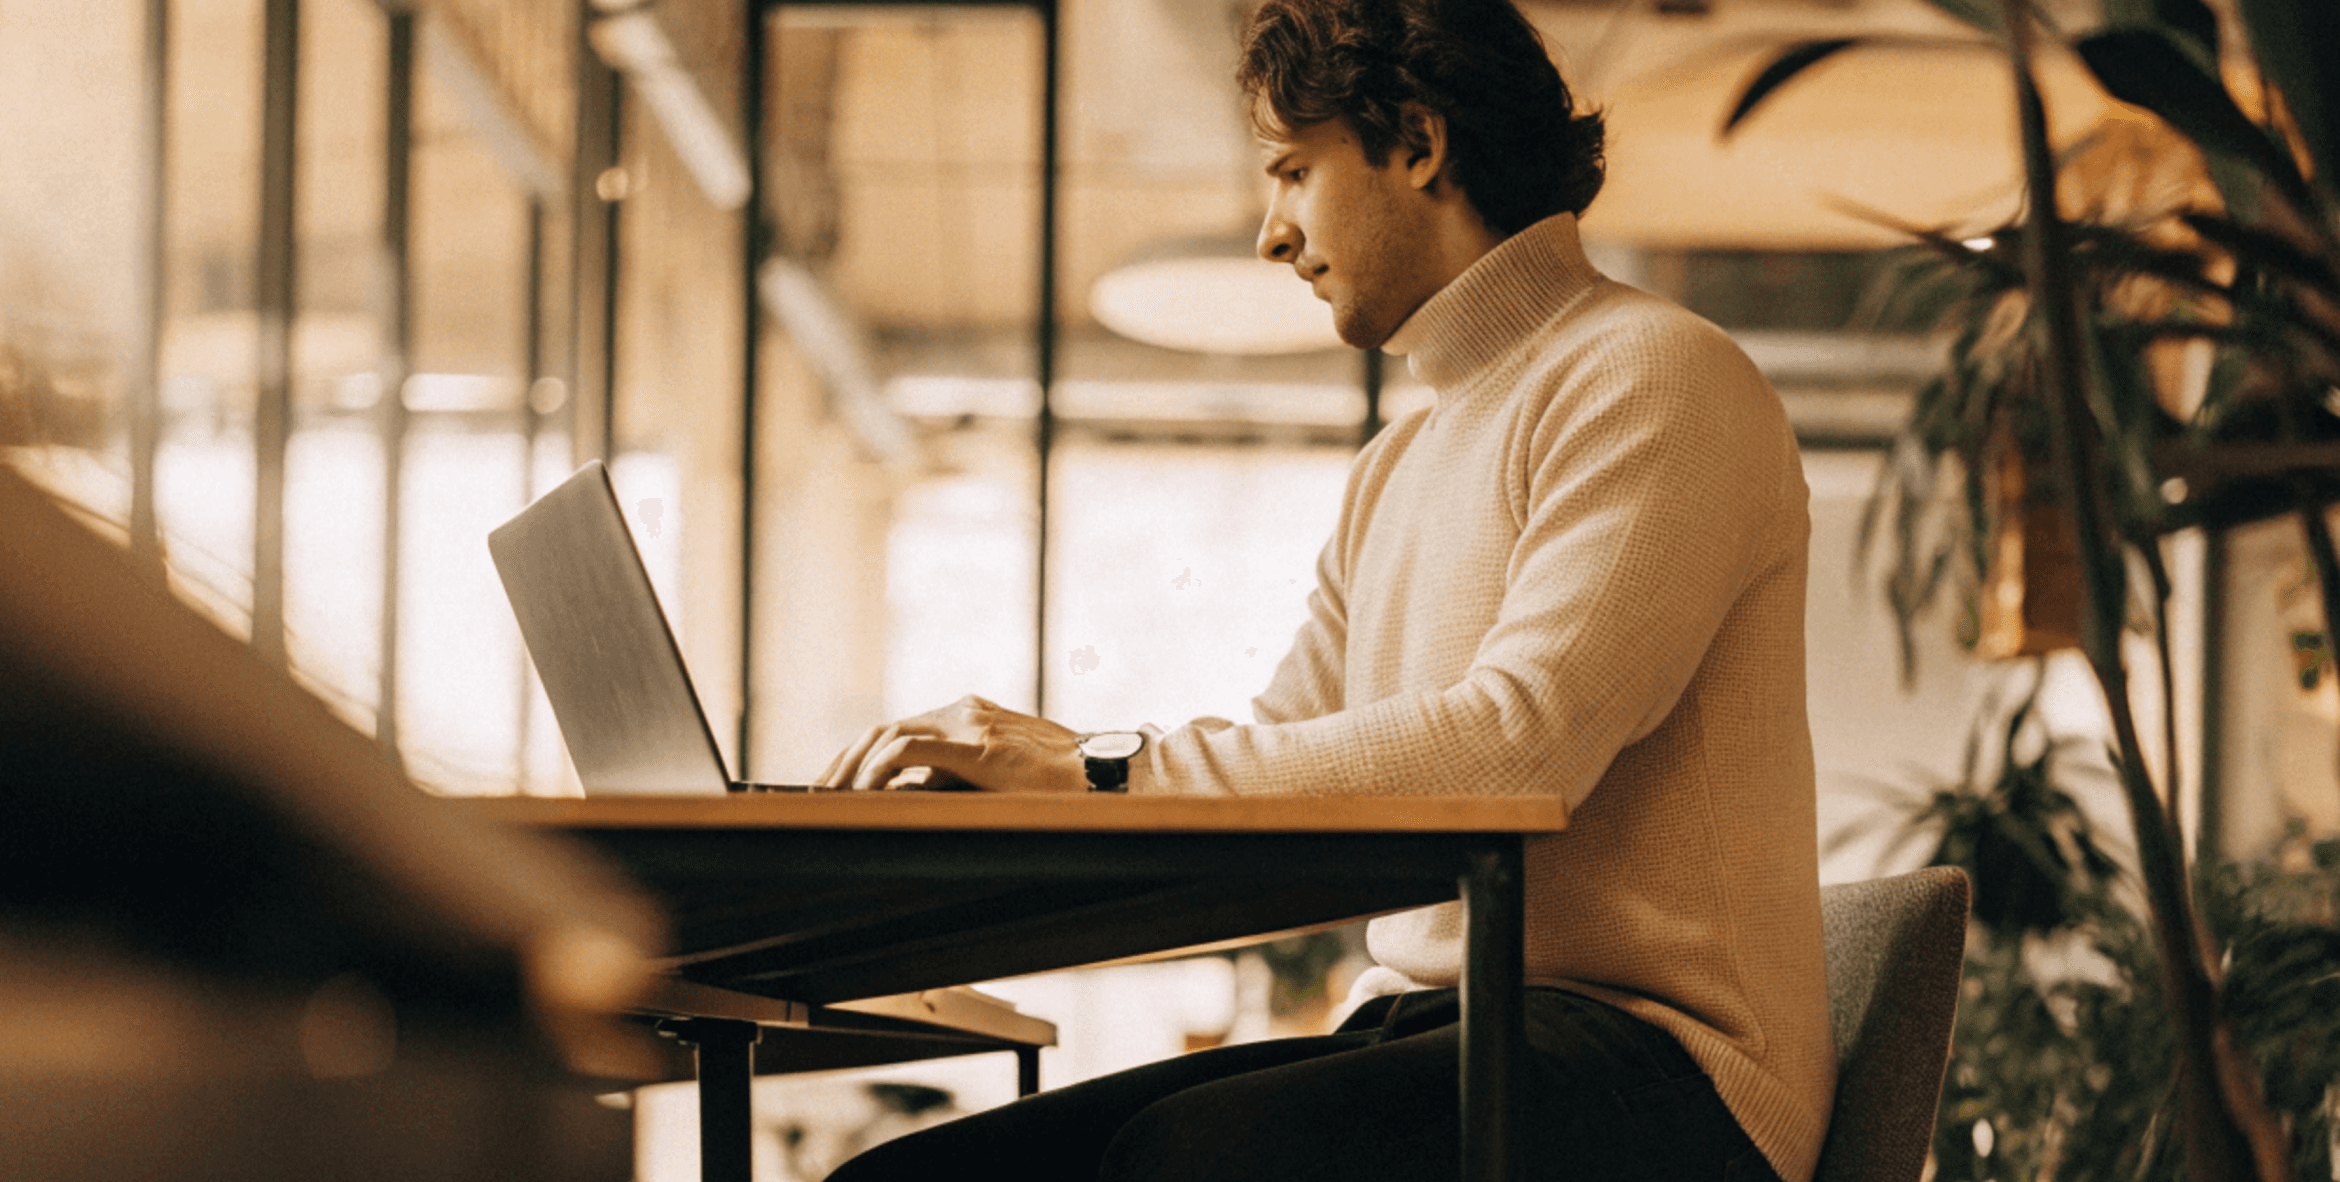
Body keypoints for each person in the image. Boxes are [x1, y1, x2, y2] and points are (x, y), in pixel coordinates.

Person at [817, 0, 1834, 1176]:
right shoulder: (1397, 466)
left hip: (1664, 1072)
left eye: (1293, 171)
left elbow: (1517, 749)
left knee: (1192, 1159)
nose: (1272, 235)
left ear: (1417, 140)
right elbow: (1279, 783)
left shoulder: (1654, 376)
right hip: (1442, 1030)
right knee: (904, 1178)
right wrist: (987, 810)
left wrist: (1091, 764)